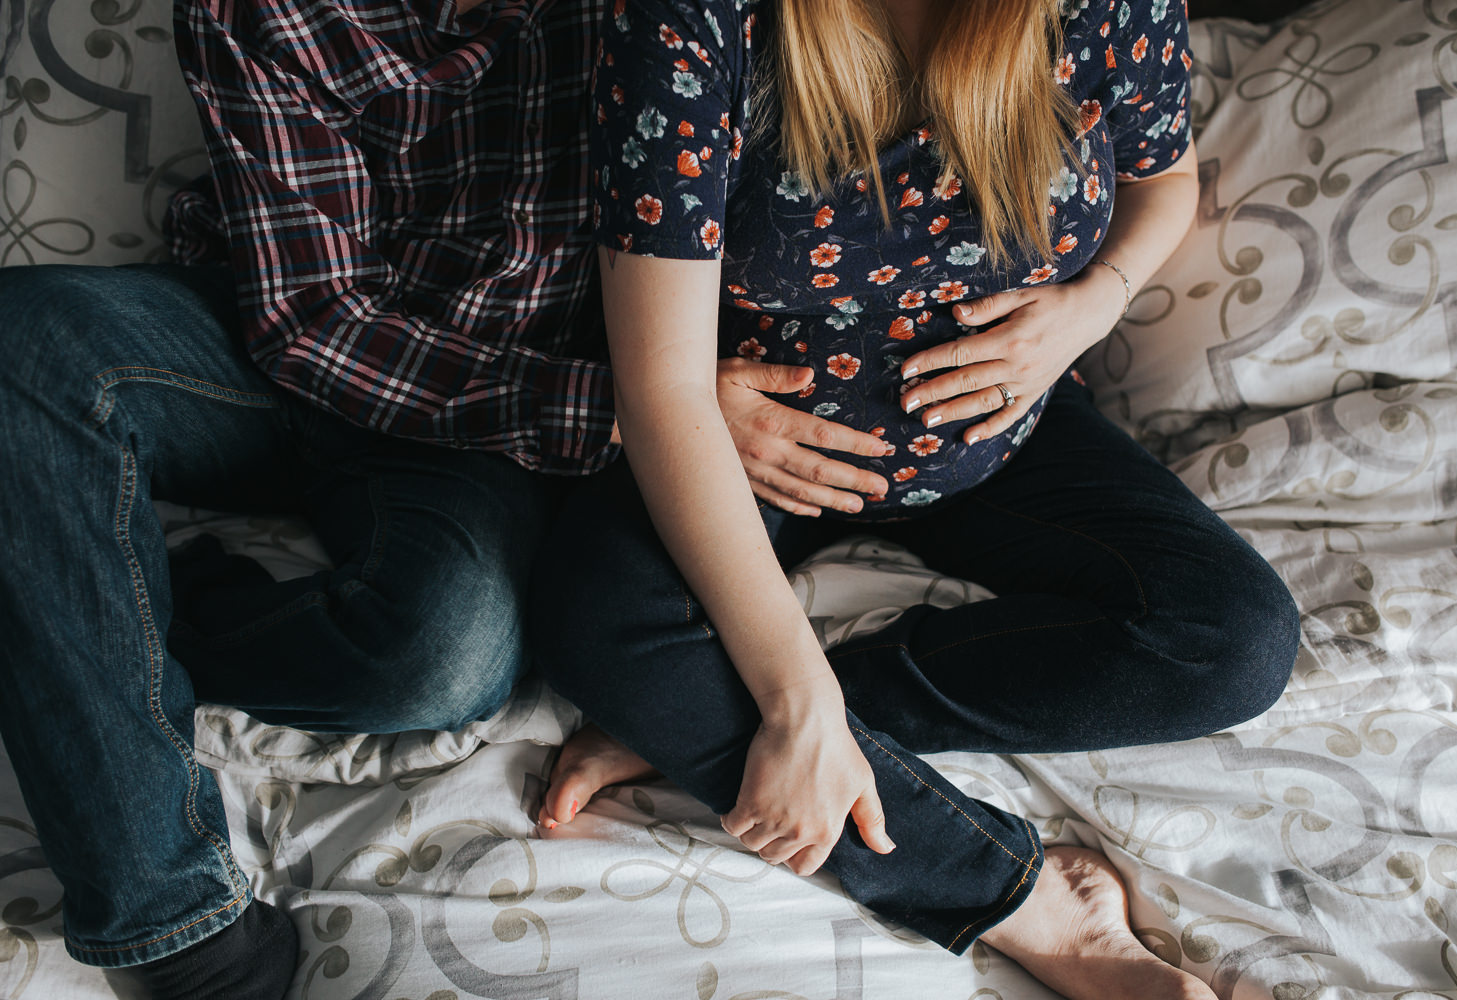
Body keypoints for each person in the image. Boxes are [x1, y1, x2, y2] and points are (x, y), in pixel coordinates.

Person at [0, 0, 885, 996]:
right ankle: (177, 932)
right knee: (27, 343)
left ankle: (109, 625)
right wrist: (618, 409)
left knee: (441, 652)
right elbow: (312, 320)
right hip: (280, 344)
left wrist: (1093, 287)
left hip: (495, 408)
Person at [531, 0, 1300, 996]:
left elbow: (1165, 184)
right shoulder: (696, 19)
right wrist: (788, 695)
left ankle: (692, 724)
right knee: (587, 620)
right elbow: (663, 385)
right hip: (766, 439)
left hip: (999, 432)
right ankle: (1033, 903)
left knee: (1234, 641)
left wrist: (1086, 308)